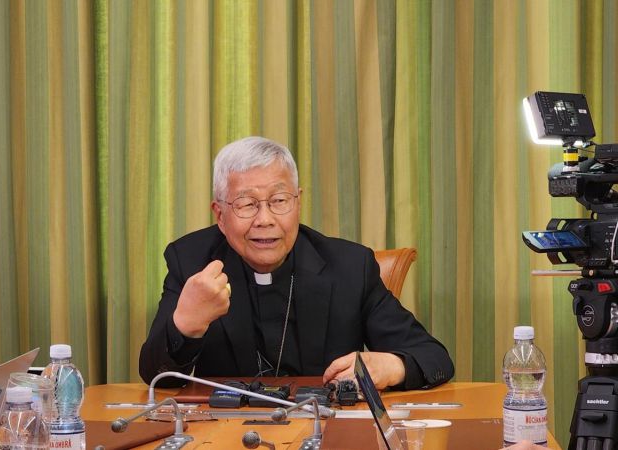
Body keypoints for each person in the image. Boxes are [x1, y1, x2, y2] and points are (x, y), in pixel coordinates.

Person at [139, 136, 454, 390]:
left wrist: (391, 366)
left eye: (279, 201)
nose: (265, 219)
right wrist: (186, 325)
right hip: (226, 432)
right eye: (247, 204)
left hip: (325, 430)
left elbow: (434, 357)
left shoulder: (350, 267)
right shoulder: (191, 261)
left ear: (298, 203)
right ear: (220, 215)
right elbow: (155, 378)